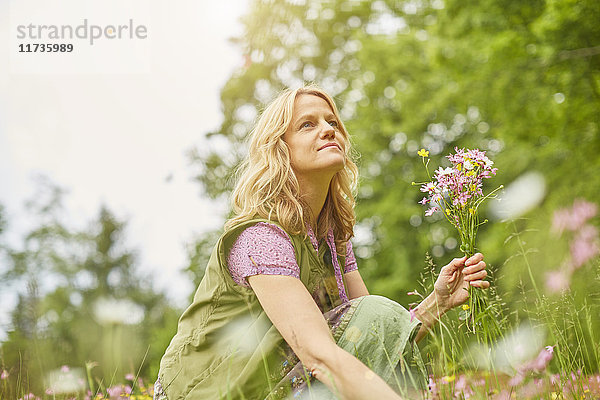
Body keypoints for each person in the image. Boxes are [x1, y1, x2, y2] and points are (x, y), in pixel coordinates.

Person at [154, 85, 490, 400]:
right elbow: (320, 356)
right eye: (306, 125)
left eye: (332, 122)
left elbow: (380, 341)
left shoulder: (333, 239)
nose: (328, 130)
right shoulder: (260, 237)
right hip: (206, 393)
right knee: (375, 313)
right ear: (279, 149)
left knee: (377, 314)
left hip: (277, 387)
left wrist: (438, 301)